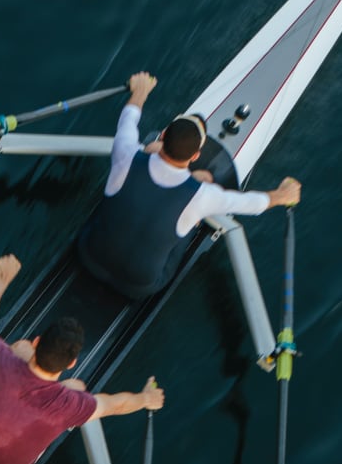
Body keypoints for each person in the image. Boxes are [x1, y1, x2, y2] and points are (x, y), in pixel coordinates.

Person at [0, 254, 163, 464]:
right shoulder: (69, 405)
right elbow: (116, 404)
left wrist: (2, 280)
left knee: (19, 349)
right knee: (77, 386)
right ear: (72, 363)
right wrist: (146, 399)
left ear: (38, 342)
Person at [78, 70, 302, 299]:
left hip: (88, 256)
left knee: (133, 176)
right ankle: (189, 216)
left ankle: (155, 159)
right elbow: (251, 204)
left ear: (162, 135)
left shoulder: (125, 153)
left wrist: (141, 90)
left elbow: (129, 117)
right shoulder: (203, 195)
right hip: (141, 287)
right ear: (196, 156)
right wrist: (283, 195)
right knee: (196, 202)